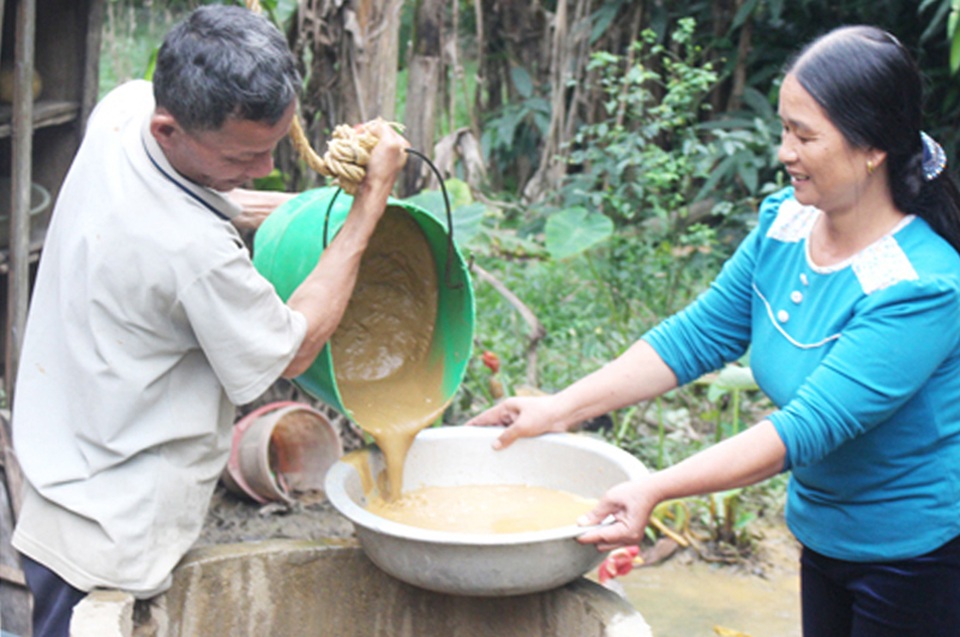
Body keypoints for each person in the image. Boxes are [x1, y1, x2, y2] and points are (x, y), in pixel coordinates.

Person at [468, 25, 960, 637]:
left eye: (805, 135)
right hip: (823, 529)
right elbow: (694, 337)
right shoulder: (786, 224)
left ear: (872, 148)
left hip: (913, 556)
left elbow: (805, 430)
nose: (784, 151)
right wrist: (558, 409)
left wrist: (652, 488)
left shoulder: (921, 286)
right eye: (784, 128)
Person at [10, 5, 408, 636]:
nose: (265, 168)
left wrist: (314, 206)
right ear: (170, 130)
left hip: (63, 483)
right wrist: (365, 216)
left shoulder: (125, 108)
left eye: (272, 147)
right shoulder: (191, 253)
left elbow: (217, 193)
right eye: (244, 155)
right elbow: (296, 346)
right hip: (110, 541)